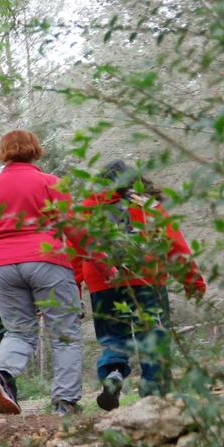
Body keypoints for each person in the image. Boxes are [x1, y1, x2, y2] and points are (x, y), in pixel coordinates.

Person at [0, 129, 84, 415]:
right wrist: (88, 255)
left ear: (3, 151)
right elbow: (73, 227)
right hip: (48, 259)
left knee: (19, 330)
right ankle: (65, 402)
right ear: (36, 150)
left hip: (3, 266)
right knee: (64, 333)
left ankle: (1, 374)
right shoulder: (51, 183)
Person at [78, 159, 205, 410]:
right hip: (146, 277)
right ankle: (154, 393)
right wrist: (192, 280)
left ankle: (113, 372)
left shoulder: (87, 208)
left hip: (103, 279)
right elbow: (174, 243)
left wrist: (73, 283)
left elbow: (76, 247)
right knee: (152, 336)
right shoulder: (148, 206)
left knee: (114, 336)